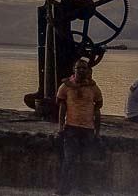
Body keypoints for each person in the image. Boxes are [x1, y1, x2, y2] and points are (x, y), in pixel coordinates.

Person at [55, 59, 103, 195]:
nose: (82, 71)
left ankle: (83, 187)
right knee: (69, 160)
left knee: (86, 160)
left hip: (88, 128)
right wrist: (60, 127)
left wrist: (97, 132)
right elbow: (62, 108)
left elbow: (97, 110)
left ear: (88, 70)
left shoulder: (94, 88)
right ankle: (64, 188)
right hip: (71, 127)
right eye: (79, 68)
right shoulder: (65, 87)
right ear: (74, 70)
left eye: (84, 68)